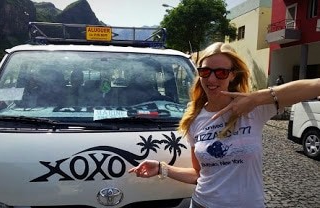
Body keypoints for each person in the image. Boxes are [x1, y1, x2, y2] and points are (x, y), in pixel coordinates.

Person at [128, 42, 320, 208]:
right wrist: (162, 168)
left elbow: (314, 87)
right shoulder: (194, 119)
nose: (212, 79)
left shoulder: (254, 109)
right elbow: (199, 173)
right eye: (205, 71)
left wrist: (255, 98)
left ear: (233, 76)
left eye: (221, 73)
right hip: (203, 203)